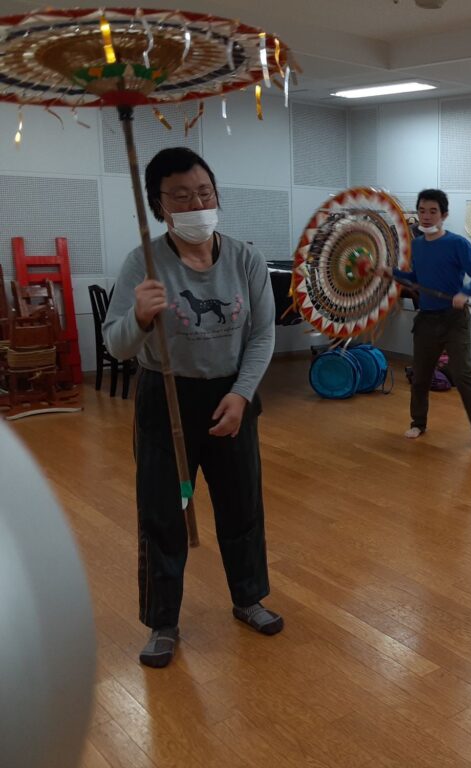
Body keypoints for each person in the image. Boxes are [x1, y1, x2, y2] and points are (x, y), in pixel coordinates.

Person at [103, 147, 282, 668]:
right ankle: (162, 622)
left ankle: (248, 598)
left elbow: (263, 334)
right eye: (180, 196)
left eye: (204, 192)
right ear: (159, 206)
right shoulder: (143, 263)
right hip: (167, 398)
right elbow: (116, 345)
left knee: (241, 505)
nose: (196, 204)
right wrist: (139, 317)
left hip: (232, 396)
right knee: (163, 512)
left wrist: (242, 394)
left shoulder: (245, 259)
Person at [380, 189, 471, 444]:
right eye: (422, 211)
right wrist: (391, 272)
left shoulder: (457, 244)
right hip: (427, 319)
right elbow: (416, 278)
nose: (426, 216)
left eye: (433, 211)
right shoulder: (417, 246)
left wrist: (466, 292)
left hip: (454, 318)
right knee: (421, 375)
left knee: (462, 373)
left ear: (444, 215)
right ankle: (418, 423)